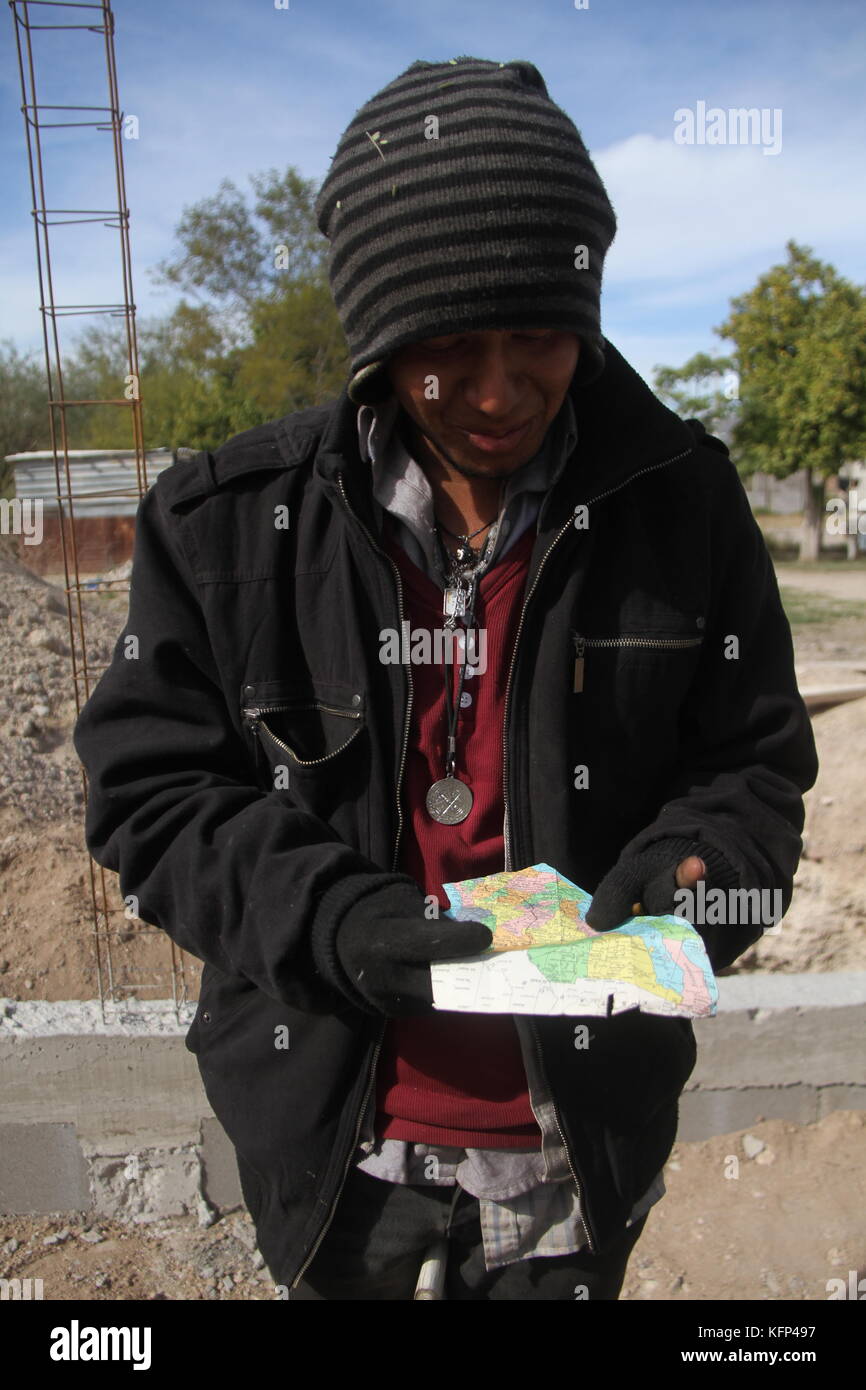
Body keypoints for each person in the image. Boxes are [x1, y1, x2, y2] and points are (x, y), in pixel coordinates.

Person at [73, 56, 818, 1301]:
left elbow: (750, 766)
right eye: (447, 345)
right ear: (376, 336)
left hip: (582, 1158)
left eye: (537, 334)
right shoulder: (224, 522)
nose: (493, 388)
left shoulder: (681, 504)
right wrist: (333, 918)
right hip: (337, 1164)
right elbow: (150, 793)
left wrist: (702, 867)